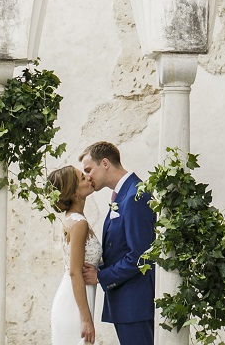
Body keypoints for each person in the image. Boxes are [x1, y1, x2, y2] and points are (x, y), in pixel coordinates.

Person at [80, 141, 157, 345]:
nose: (87, 177)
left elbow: (140, 256)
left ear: (105, 163)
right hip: (126, 302)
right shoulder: (124, 195)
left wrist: (101, 276)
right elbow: (120, 249)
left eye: (89, 169)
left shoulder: (134, 196)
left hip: (135, 303)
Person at [46, 165, 102, 344]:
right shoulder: (79, 224)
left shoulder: (74, 219)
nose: (88, 177)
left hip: (78, 297)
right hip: (73, 304)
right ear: (74, 193)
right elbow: (74, 272)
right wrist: (86, 319)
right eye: (82, 178)